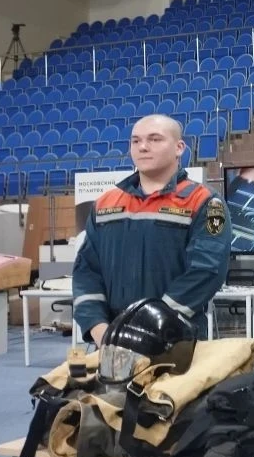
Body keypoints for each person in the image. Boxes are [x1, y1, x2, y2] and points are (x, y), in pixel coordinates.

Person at [72, 114, 232, 346]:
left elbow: (206, 271)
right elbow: (86, 272)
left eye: (155, 139)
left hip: (175, 341)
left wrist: (152, 326)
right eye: (135, 141)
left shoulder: (204, 202)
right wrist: (102, 332)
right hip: (111, 342)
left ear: (179, 148)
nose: (143, 147)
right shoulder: (105, 204)